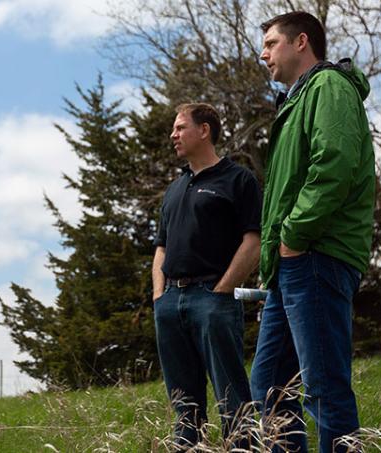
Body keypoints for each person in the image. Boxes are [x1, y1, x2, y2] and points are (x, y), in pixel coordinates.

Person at [250, 11, 376, 453]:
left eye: (270, 43)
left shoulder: (329, 87)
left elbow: (333, 166)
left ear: (301, 42)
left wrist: (293, 238)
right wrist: (280, 253)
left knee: (323, 388)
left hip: (316, 254)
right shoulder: (296, 100)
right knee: (269, 386)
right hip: (293, 263)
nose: (263, 53)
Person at [152, 102, 263, 450]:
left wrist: (222, 290)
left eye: (181, 127)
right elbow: (161, 248)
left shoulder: (238, 179)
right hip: (170, 304)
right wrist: (159, 296)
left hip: (213, 300)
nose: (173, 135)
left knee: (232, 398)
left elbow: (254, 240)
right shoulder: (174, 188)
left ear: (205, 130)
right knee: (184, 405)